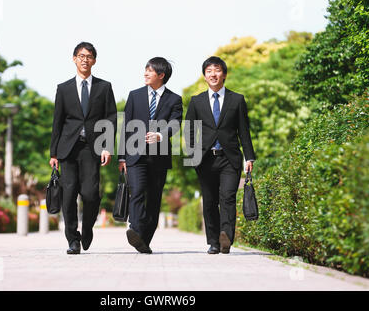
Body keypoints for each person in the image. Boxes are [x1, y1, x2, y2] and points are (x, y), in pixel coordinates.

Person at [49, 42, 117, 254]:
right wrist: (53, 153)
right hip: (68, 149)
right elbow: (57, 122)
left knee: (90, 194)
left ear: (94, 61)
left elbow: (111, 118)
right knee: (68, 195)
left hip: (92, 149)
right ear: (74, 59)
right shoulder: (64, 88)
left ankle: (87, 228)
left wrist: (107, 146)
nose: (84, 59)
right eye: (81, 56)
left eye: (89, 56)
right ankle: (73, 239)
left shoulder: (104, 87)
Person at [185, 56, 255, 254]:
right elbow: (189, 130)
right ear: (204, 76)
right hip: (205, 159)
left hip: (229, 158)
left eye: (217, 70)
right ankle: (213, 242)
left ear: (223, 74)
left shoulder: (237, 99)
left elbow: (244, 130)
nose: (213, 74)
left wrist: (249, 157)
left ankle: (226, 236)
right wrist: (192, 155)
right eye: (209, 71)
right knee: (209, 201)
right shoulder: (196, 101)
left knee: (228, 197)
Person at [119, 57, 183, 254]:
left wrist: (160, 135)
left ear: (161, 75)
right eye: (145, 70)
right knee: (137, 191)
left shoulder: (174, 99)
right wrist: (122, 157)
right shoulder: (134, 95)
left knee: (154, 199)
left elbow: (175, 123)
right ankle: (136, 230)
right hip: (135, 155)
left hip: (159, 156)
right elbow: (126, 126)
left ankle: (144, 240)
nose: (145, 73)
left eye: (150, 71)